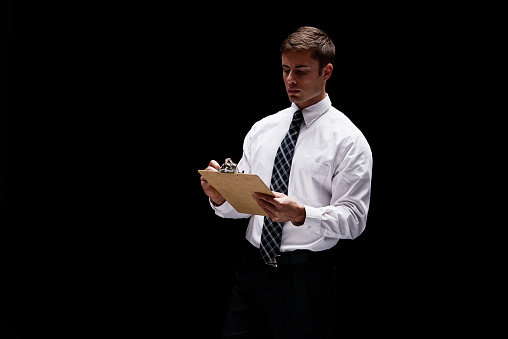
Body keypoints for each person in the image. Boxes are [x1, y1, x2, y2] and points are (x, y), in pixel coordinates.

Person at [200, 26, 372, 339]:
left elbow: (354, 220)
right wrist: (221, 197)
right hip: (252, 273)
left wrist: (300, 214)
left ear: (326, 71)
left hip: (306, 279)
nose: (291, 80)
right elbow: (246, 209)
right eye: (285, 69)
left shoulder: (348, 140)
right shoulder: (263, 129)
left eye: (302, 71)